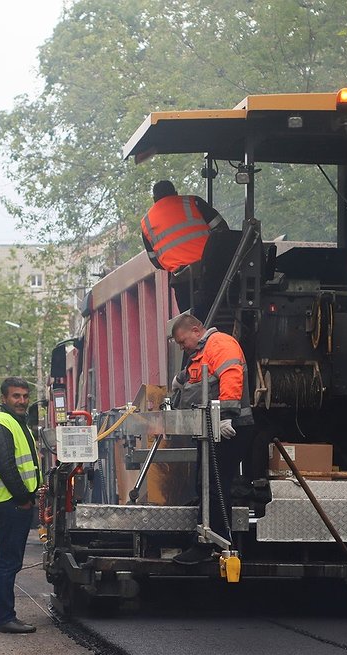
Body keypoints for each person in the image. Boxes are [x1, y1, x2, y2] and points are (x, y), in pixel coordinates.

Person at [168, 313, 254, 565]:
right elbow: (198, 377)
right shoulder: (201, 353)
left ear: (197, 331)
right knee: (205, 484)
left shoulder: (220, 344)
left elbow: (231, 376)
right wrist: (180, 380)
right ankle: (206, 538)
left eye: (184, 342)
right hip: (211, 431)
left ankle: (212, 543)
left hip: (230, 428)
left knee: (215, 485)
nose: (183, 347)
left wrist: (226, 416)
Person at [0, 377, 41, 634]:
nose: (22, 401)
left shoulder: (19, 423)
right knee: (8, 562)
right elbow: (6, 467)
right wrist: (24, 499)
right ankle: (4, 618)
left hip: (15, 502)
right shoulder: (0, 424)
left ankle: (5, 616)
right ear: (3, 399)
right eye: (16, 396)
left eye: (25, 396)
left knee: (11, 561)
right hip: (10, 504)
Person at [140, 180, 228, 274]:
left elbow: (155, 261)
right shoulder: (193, 202)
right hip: (211, 266)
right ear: (176, 193)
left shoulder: (146, 223)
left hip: (181, 278)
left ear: (154, 199)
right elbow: (222, 229)